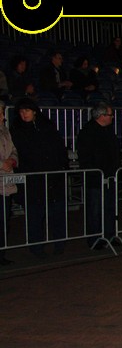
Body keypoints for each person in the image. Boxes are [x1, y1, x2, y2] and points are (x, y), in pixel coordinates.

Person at [10, 98, 69, 257]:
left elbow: (59, 149)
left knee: (56, 213)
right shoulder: (17, 130)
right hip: (33, 179)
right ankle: (36, 247)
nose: (24, 114)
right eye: (21, 111)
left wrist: (62, 167)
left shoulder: (47, 127)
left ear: (34, 111)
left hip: (52, 177)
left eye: (27, 110)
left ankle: (59, 243)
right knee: (35, 215)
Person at [76, 102, 121, 248]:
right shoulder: (88, 132)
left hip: (110, 177)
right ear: (102, 116)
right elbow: (86, 157)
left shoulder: (108, 131)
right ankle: (95, 239)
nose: (112, 117)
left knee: (109, 208)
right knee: (95, 210)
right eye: (110, 115)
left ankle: (110, 235)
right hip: (95, 179)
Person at [0, 102, 18, 264]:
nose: (3, 117)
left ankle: (1, 253)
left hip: (5, 182)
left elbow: (13, 150)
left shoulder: (5, 130)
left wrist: (12, 160)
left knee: (4, 219)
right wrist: (1, 164)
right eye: (0, 114)